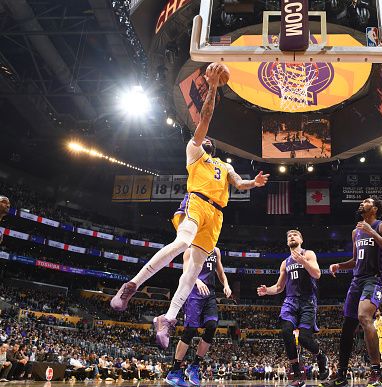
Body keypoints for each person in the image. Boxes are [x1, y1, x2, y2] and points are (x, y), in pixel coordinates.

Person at [110, 63, 269, 349]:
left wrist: (253, 184)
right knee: (182, 242)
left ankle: (168, 318)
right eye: (202, 135)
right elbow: (205, 118)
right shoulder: (194, 152)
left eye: (207, 138)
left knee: (193, 271)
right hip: (195, 202)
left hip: (216, 215)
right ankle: (132, 285)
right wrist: (212, 88)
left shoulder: (225, 165)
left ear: (214, 146)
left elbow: (238, 183)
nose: (204, 136)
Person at [320, 196, 382, 387]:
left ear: (375, 209)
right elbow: (356, 260)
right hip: (358, 279)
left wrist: (372, 232)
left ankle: (376, 373)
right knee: (347, 327)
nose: (362, 202)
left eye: (367, 201)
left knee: (364, 316)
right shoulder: (356, 231)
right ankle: (341, 376)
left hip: (377, 278)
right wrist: (340, 265)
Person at [257, 230, 329, 387]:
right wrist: (266, 290)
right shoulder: (285, 262)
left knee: (304, 339)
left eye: (295, 235)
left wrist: (304, 261)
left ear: (301, 239)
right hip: (290, 301)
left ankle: (321, 356)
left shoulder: (308, 254)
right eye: (289, 235)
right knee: (286, 331)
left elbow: (317, 274)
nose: (291, 236)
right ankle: (297, 375)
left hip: (307, 301)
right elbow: (279, 287)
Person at [165, 244, 231, 387]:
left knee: (212, 326)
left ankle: (194, 366)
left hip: (210, 294)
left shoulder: (216, 250)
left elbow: (220, 272)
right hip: (193, 292)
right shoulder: (191, 249)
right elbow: (186, 272)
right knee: (191, 330)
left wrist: (226, 284)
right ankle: (174, 371)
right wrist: (198, 281)